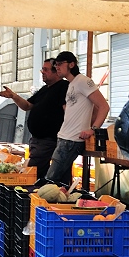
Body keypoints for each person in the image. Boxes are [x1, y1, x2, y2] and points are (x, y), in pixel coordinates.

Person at [43, 51, 109, 185]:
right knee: (59, 185)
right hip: (64, 138)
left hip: (71, 140)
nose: (57, 67)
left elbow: (103, 106)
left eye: (60, 64)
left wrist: (92, 129)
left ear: (71, 64)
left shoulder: (83, 81)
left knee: (50, 181)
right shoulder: (72, 84)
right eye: (56, 65)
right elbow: (94, 108)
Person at [0, 57, 69, 179]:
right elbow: (27, 105)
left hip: (49, 140)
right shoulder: (45, 89)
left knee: (33, 173)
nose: (42, 72)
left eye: (46, 70)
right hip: (37, 140)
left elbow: (67, 111)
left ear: (56, 71)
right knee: (37, 174)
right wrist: (13, 96)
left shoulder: (63, 87)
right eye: (42, 70)